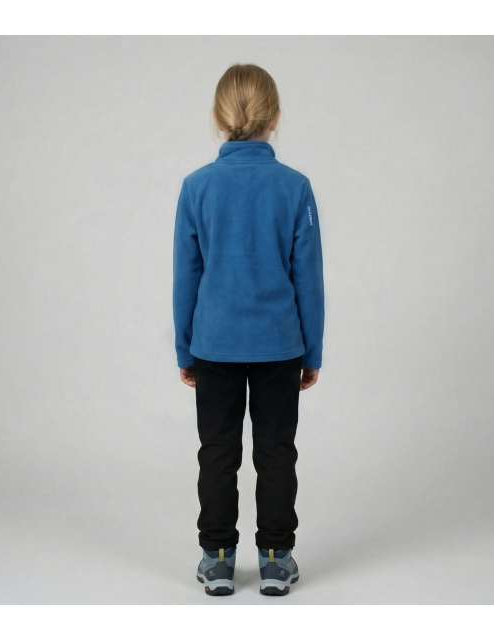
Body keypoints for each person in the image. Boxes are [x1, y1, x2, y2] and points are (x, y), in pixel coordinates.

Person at [172, 63, 325, 596]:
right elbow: (308, 278)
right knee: (276, 451)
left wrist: (185, 349)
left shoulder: (196, 187)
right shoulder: (295, 187)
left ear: (218, 119)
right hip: (279, 345)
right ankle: (276, 560)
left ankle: (217, 560)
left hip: (213, 343)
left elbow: (186, 275)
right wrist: (312, 351)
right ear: (275, 117)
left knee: (217, 451)